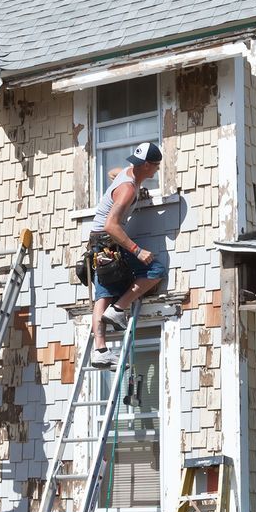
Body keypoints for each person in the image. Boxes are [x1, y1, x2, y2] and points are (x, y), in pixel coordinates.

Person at [87, 140, 167, 368]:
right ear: (147, 166)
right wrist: (137, 251)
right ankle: (119, 309)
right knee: (155, 270)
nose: (158, 170)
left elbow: (113, 172)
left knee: (103, 295)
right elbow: (112, 225)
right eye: (156, 166)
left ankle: (100, 350)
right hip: (107, 240)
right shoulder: (128, 188)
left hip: (97, 243)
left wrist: (137, 189)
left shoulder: (127, 176)